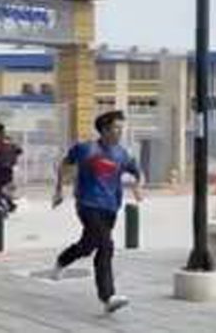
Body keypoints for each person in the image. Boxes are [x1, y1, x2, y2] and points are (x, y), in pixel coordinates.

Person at [49, 110, 144, 314]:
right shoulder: (86, 149)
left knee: (88, 245)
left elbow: (137, 172)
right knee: (106, 246)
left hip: (110, 208)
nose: (120, 132)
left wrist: (137, 187)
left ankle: (62, 260)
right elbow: (63, 165)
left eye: (121, 128)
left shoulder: (122, 154)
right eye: (116, 128)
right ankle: (108, 296)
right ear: (104, 129)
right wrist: (58, 190)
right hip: (87, 205)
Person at [0, 123, 22, 214]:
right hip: (9, 168)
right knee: (6, 187)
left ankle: (0, 206)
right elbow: (19, 150)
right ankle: (10, 205)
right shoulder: (9, 139)